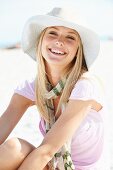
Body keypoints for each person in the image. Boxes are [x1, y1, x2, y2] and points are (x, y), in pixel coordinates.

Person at [0, 7, 110, 170]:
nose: (59, 41)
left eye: (70, 37)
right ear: (40, 40)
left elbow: (46, 151)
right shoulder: (33, 87)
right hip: (52, 166)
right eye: (52, 33)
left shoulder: (85, 86)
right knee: (13, 149)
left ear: (78, 50)